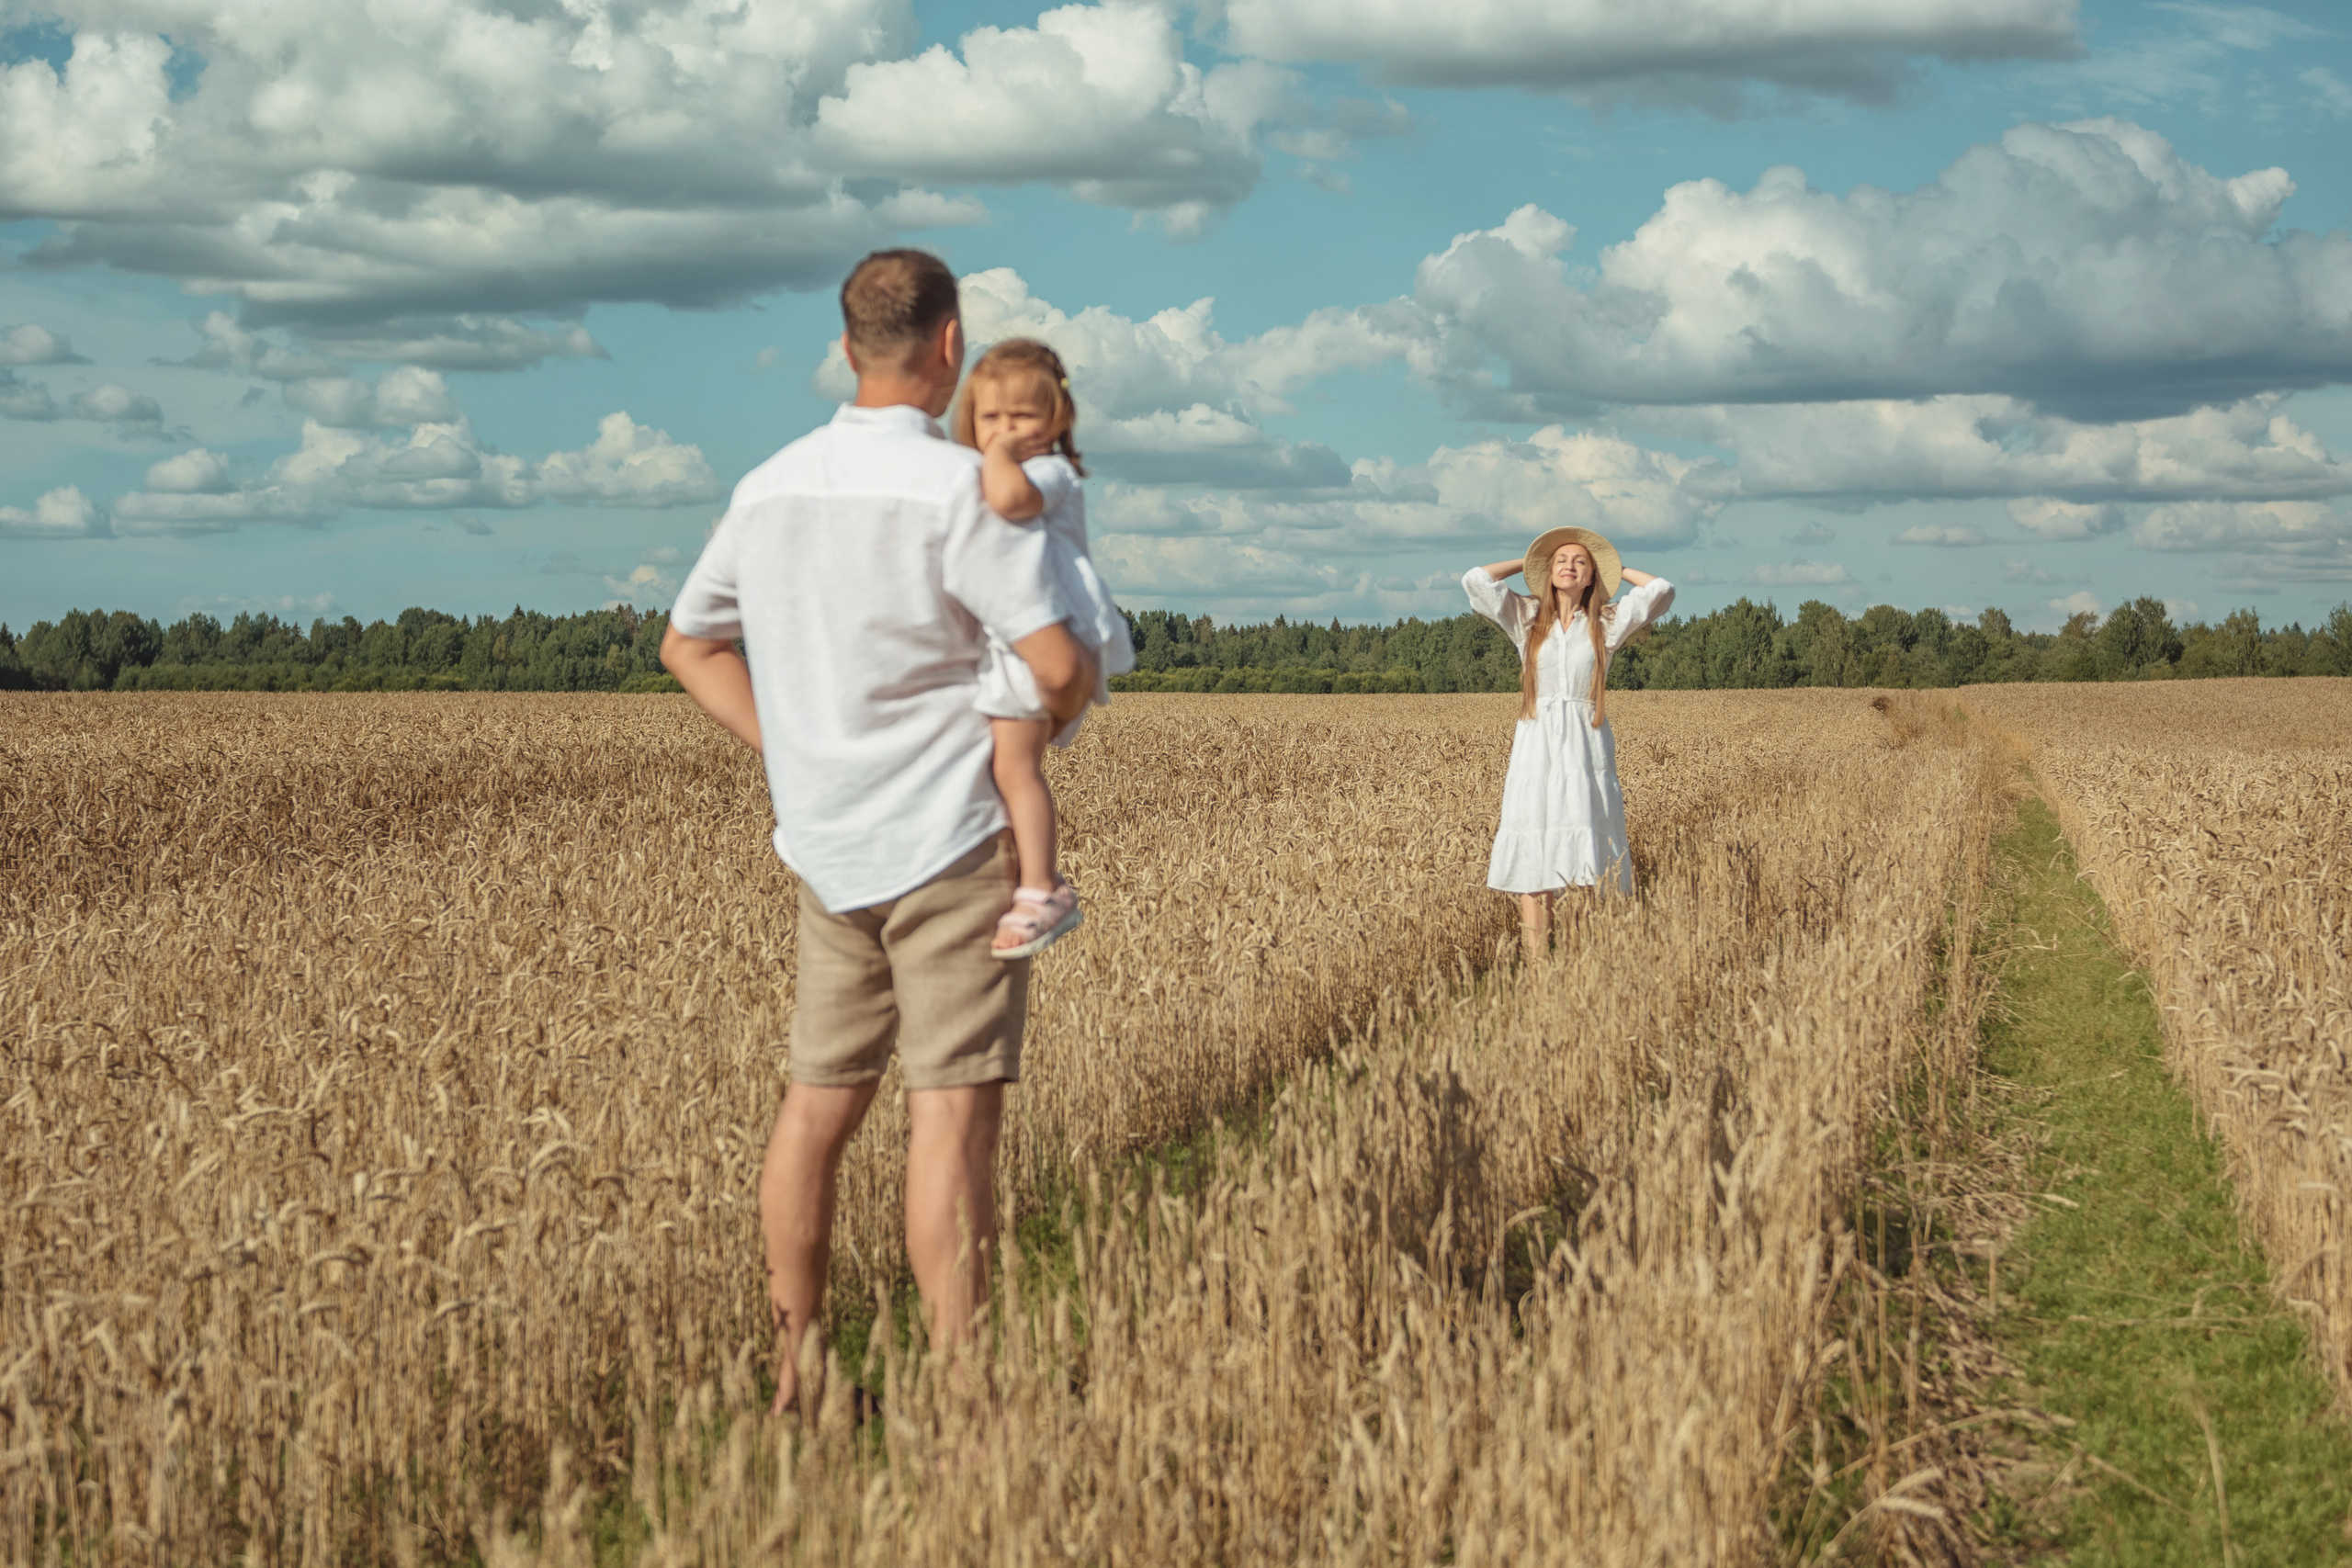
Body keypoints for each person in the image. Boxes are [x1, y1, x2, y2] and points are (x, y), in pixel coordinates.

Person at [660, 250, 1096, 1418]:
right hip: (952, 842)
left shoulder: (767, 488)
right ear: (950, 347)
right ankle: (963, 1401)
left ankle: (798, 1375)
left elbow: (690, 646)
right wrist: (1064, 700)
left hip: (825, 846)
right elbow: (1055, 665)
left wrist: (795, 752)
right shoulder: (960, 490)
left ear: (846, 347)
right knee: (949, 1121)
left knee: (816, 1108)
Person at [950, 337, 1136, 959]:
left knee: (1014, 767)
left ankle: (1041, 888)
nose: (1006, 430)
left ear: (1056, 421)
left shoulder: (1050, 472)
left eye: (1022, 417)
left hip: (1050, 634)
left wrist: (992, 453)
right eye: (991, 417)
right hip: (1020, 639)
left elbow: (1005, 500)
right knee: (1003, 764)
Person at [1463, 528, 1676, 962]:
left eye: (1580, 561)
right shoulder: (1525, 618)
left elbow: (1660, 591)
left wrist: (1614, 567)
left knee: (1583, 847)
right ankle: (1538, 965)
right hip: (1536, 741)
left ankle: (1580, 956)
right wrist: (1528, 563)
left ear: (1591, 574)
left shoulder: (1607, 623)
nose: (1569, 566)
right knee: (1533, 843)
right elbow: (1475, 581)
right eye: (1560, 560)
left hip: (1585, 742)